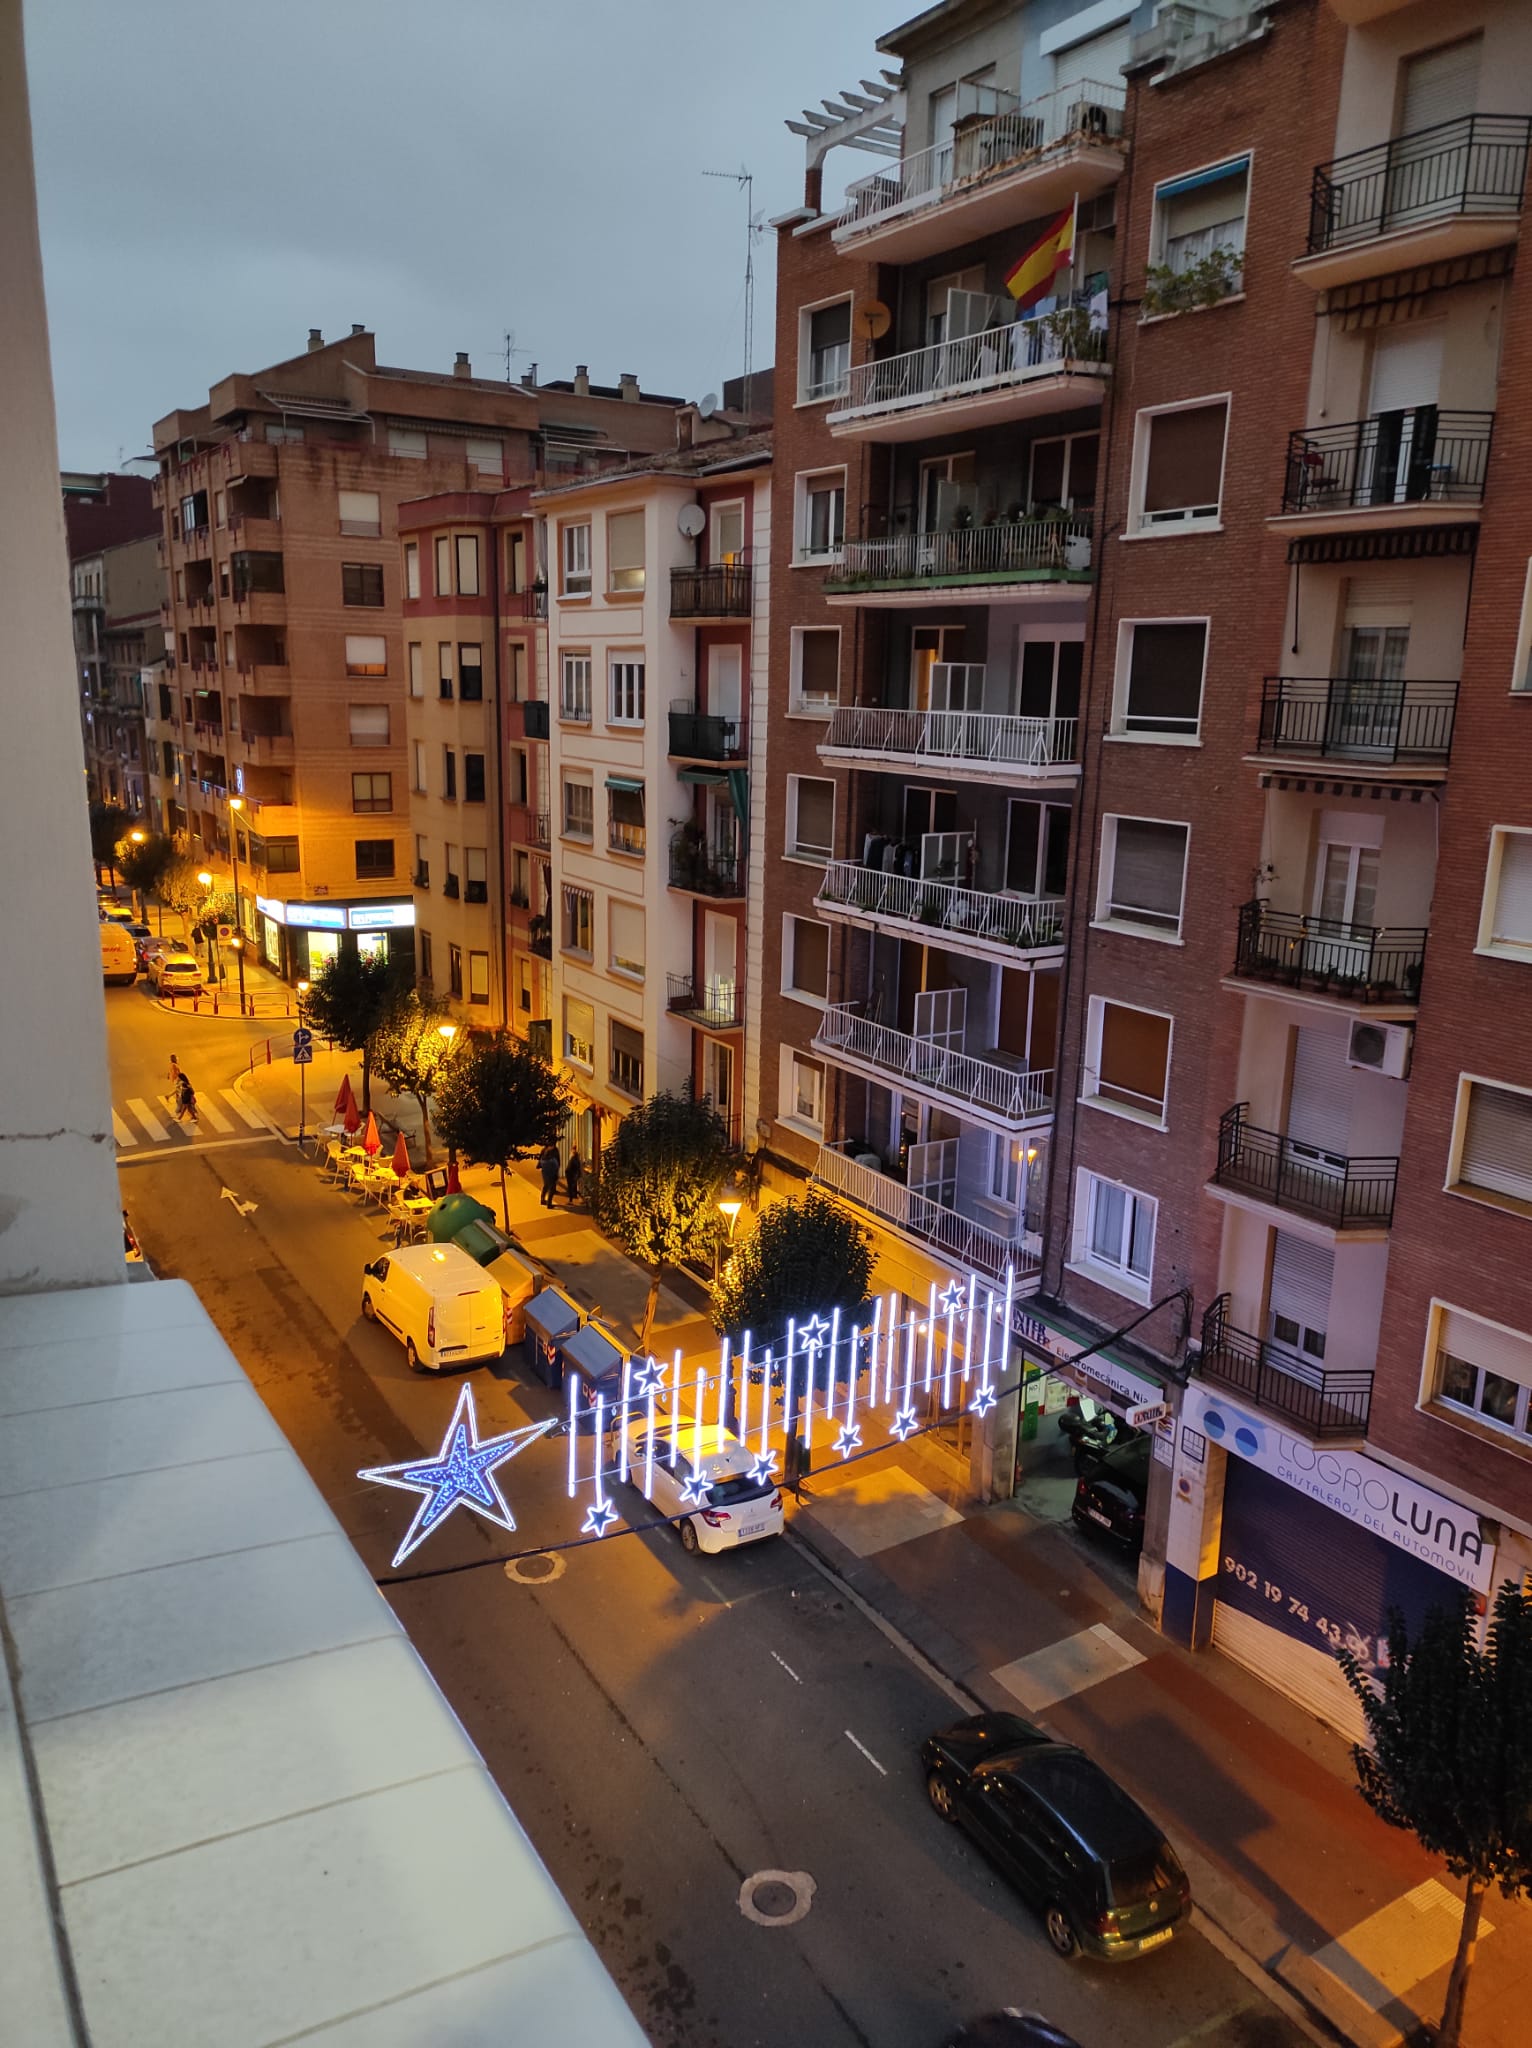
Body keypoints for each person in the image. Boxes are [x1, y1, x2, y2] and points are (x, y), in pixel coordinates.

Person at [537, 1143, 561, 1209]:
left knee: (545, 1185)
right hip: (552, 1174)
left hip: (545, 1172)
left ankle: (542, 1199)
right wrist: (556, 1173)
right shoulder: (553, 1160)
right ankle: (549, 1204)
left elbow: (540, 1160)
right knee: (552, 1189)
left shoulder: (543, 1158)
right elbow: (557, 1165)